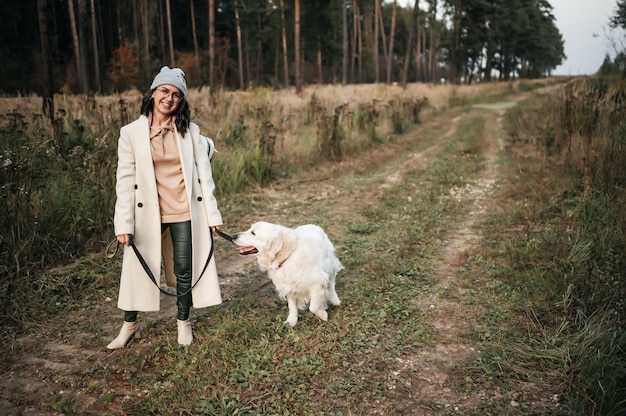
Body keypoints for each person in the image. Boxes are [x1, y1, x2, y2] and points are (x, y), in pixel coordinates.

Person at [107, 66, 223, 349]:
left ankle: (183, 322)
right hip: (148, 214)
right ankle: (129, 326)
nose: (169, 98)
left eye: (176, 95)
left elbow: (204, 178)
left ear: (181, 100)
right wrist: (123, 224)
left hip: (184, 211)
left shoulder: (190, 132)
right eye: (164, 91)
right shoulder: (130, 133)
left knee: (185, 270)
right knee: (137, 268)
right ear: (153, 92)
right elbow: (125, 181)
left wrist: (212, 214)